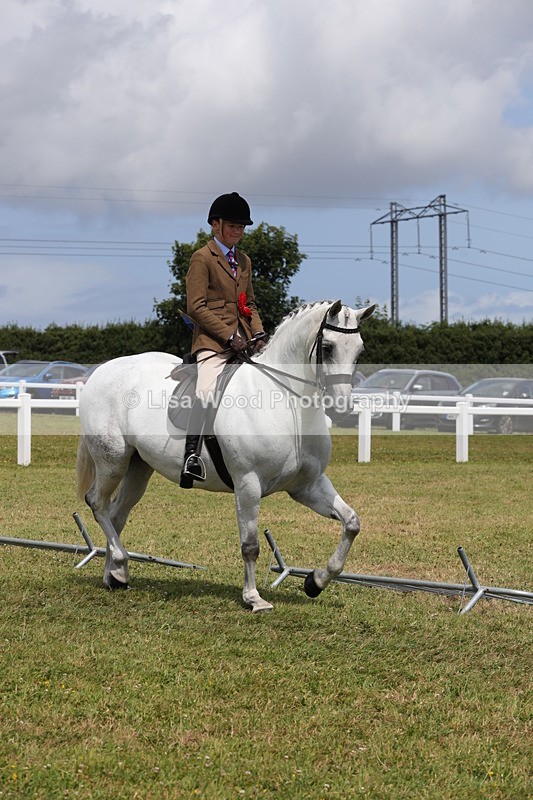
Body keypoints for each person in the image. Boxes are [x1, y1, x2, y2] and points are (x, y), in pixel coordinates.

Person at [180, 192, 266, 488]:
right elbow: (196, 306)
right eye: (233, 226)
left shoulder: (244, 261)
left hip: (244, 341)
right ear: (215, 224)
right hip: (212, 343)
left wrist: (258, 333)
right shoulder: (202, 258)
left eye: (242, 227)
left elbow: (249, 304)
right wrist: (229, 335)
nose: (238, 232)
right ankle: (192, 456)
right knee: (205, 388)